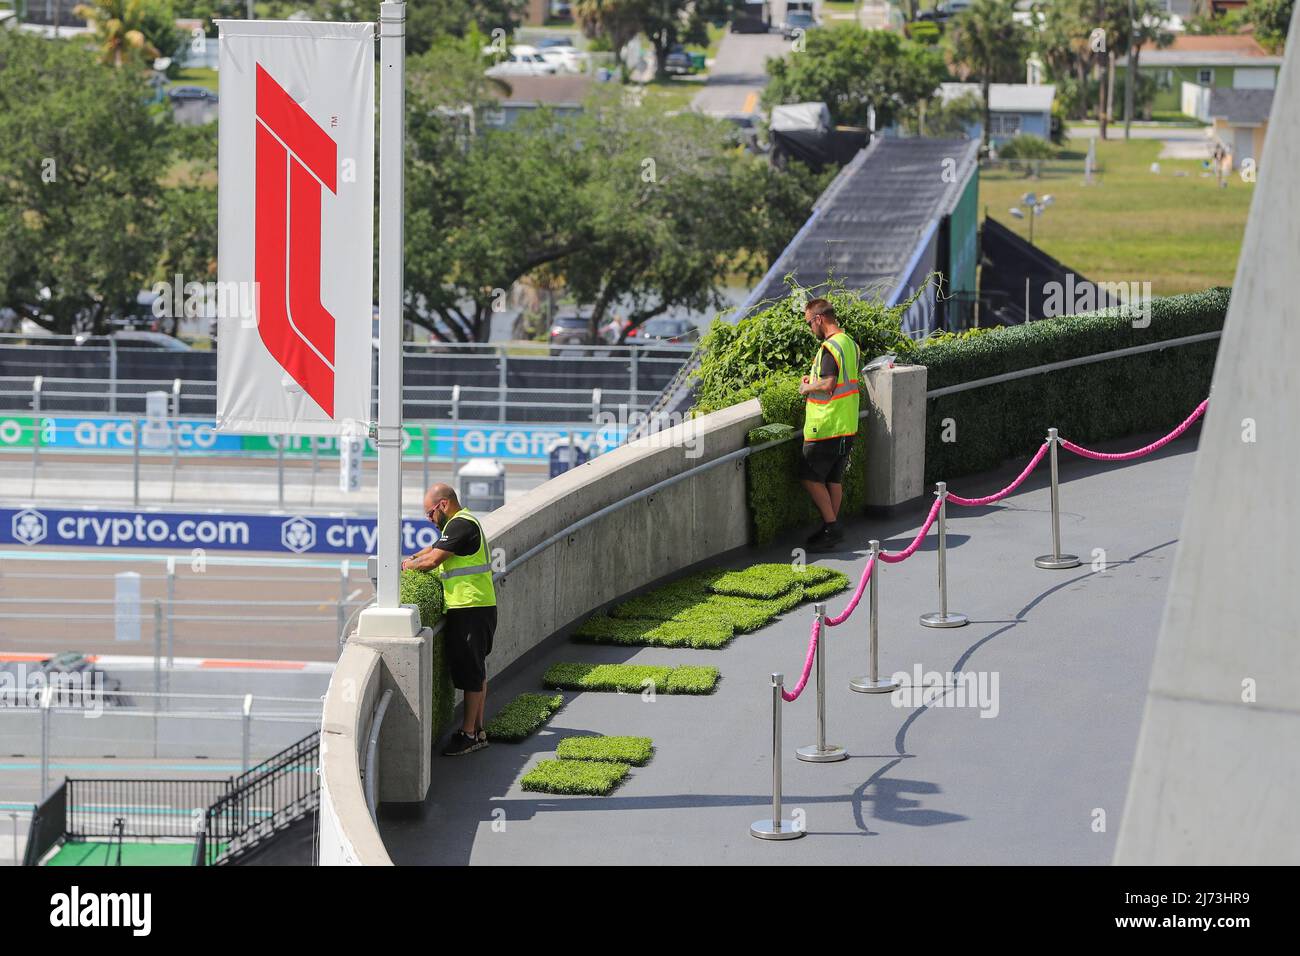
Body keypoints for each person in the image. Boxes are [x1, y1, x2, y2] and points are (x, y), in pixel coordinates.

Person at [402, 483, 497, 756]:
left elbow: (432, 561)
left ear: (443, 505)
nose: (429, 520)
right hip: (475, 607)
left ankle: (469, 735)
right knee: (476, 670)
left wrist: (407, 566)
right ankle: (477, 730)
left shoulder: (460, 525)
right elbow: (431, 550)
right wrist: (411, 558)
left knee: (471, 672)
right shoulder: (459, 525)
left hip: (471, 608)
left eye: (430, 514)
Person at [796, 298, 860, 552]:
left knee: (809, 477)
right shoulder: (850, 343)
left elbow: (828, 384)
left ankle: (831, 526)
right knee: (833, 479)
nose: (810, 328)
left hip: (826, 425)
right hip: (847, 423)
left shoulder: (829, 348)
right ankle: (830, 530)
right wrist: (813, 378)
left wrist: (805, 387)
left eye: (809, 323)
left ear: (819, 319)